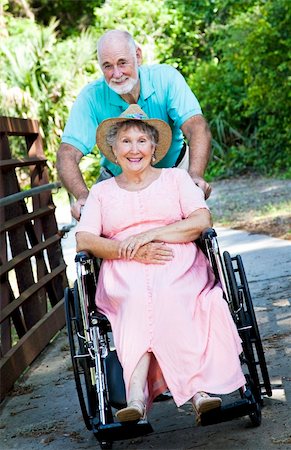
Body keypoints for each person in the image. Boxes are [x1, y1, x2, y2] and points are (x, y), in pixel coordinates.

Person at [75, 104, 246, 423]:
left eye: (142, 140)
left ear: (155, 148)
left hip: (177, 261)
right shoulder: (101, 193)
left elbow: (200, 221)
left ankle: (196, 392)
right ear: (114, 150)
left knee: (170, 290)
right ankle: (137, 397)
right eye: (125, 141)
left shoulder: (176, 180)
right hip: (123, 267)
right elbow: (84, 240)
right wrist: (130, 250)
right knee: (137, 297)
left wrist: (151, 234)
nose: (134, 149)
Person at [57, 29, 212, 220]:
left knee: (196, 223)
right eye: (107, 66)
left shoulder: (166, 78)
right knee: (99, 233)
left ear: (137, 56)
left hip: (174, 169)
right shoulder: (91, 97)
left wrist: (195, 176)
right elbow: (67, 153)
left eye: (122, 63)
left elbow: (197, 127)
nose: (117, 74)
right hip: (117, 178)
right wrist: (82, 196)